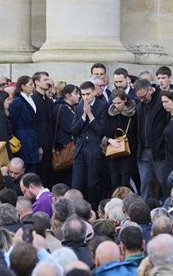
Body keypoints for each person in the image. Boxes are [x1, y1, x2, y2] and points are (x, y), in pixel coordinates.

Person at [71, 81, 108, 209]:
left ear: (94, 92)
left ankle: (93, 211)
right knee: (77, 183)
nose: (85, 97)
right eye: (83, 94)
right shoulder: (79, 106)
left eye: (88, 94)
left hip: (94, 149)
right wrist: (83, 116)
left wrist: (90, 115)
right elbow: (74, 129)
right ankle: (76, 210)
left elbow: (101, 131)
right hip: (80, 148)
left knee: (93, 183)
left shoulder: (103, 106)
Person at [103, 89, 137, 191]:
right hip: (113, 150)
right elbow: (105, 130)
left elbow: (135, 132)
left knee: (125, 181)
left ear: (125, 100)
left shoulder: (133, 114)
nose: (116, 105)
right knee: (114, 181)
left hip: (128, 151)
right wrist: (109, 140)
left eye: (119, 103)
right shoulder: (111, 113)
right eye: (114, 103)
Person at [9, 76, 39, 173]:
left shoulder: (30, 99)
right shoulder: (18, 102)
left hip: (31, 135)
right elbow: (13, 121)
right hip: (23, 137)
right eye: (30, 84)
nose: (33, 87)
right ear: (23, 86)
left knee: (33, 165)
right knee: (26, 165)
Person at [52, 84, 80, 185]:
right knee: (65, 177)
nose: (79, 96)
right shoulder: (62, 108)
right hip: (64, 146)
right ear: (68, 95)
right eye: (76, 94)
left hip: (68, 145)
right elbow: (71, 127)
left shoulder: (71, 107)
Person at [32, 72, 54, 184]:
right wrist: (39, 146)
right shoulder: (33, 100)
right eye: (45, 80)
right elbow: (35, 125)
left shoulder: (48, 101)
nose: (48, 82)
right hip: (40, 145)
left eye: (48, 79)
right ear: (36, 82)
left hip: (49, 144)